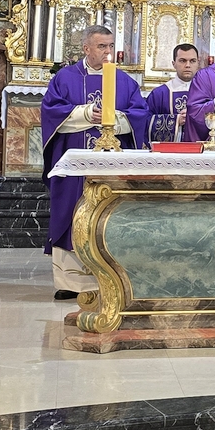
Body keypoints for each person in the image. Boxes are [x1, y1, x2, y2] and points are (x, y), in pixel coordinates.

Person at [42, 26, 149, 302]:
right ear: (86, 48)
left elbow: (140, 114)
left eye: (110, 46)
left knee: (108, 214)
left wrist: (115, 118)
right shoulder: (65, 78)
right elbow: (51, 111)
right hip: (74, 161)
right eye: (101, 46)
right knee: (69, 211)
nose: (107, 51)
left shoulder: (125, 82)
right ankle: (70, 281)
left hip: (112, 163)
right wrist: (87, 113)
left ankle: (110, 281)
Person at [148, 43, 201, 143]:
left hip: (201, 149)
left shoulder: (207, 92)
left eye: (192, 61)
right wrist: (176, 120)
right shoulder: (159, 94)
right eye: (182, 61)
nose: (188, 65)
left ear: (198, 63)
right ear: (174, 64)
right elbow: (145, 122)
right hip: (168, 151)